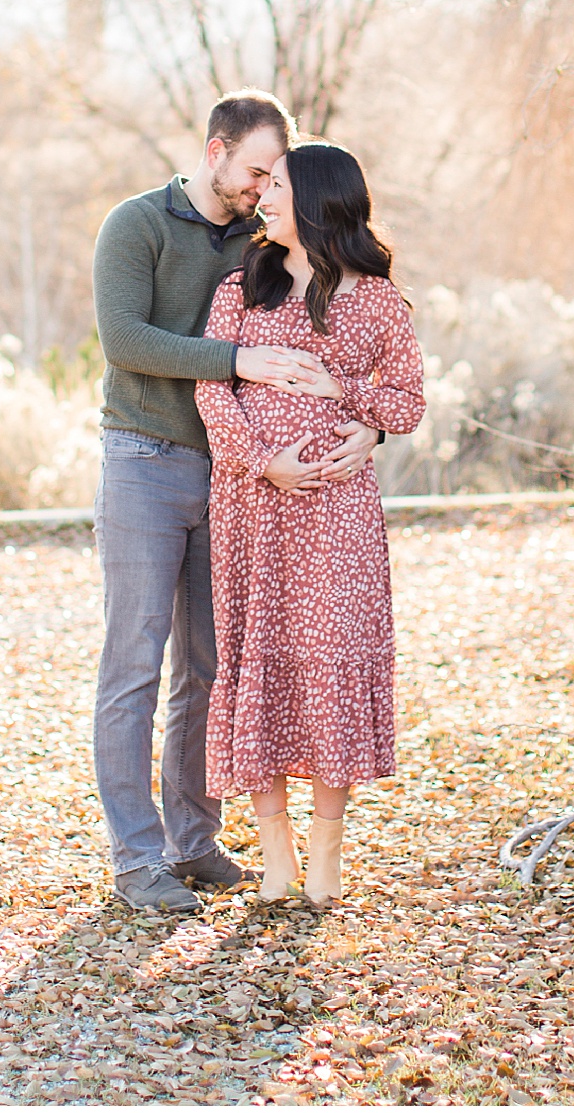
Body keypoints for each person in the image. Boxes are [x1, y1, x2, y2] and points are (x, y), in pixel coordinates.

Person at [90, 90, 382, 914]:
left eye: (273, 176)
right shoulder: (137, 224)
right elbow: (127, 341)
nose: (262, 188)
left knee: (210, 667)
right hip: (146, 458)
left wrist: (372, 427)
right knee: (134, 665)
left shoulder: (257, 244)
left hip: (235, 481)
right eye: (254, 170)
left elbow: (330, 340)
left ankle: (195, 841)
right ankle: (137, 857)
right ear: (214, 150)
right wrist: (239, 360)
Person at [195, 139, 426, 906]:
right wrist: (264, 462)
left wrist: (346, 390)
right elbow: (210, 390)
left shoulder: (378, 300)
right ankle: (275, 857)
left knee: (326, 661)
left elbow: (407, 404)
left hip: (336, 513)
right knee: (259, 660)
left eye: (281, 186)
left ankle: (325, 852)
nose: (265, 198)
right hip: (255, 506)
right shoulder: (242, 286)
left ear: (321, 200)